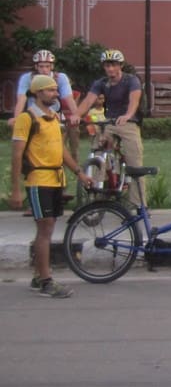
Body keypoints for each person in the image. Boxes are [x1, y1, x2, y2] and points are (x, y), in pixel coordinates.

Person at [10, 74, 93, 298]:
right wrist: (16, 189)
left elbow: (61, 150)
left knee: (46, 229)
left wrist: (79, 172)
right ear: (37, 92)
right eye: (49, 90)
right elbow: (17, 155)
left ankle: (39, 276)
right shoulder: (27, 118)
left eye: (56, 90)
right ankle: (46, 281)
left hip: (56, 180)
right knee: (45, 230)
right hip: (39, 181)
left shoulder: (53, 117)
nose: (55, 94)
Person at [75, 49, 147, 207]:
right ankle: (97, 190)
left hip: (128, 122)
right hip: (110, 122)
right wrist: (76, 116)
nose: (110, 69)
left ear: (120, 65)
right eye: (107, 65)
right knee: (98, 150)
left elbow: (134, 100)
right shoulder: (101, 83)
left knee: (134, 160)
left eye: (113, 65)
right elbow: (88, 101)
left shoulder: (131, 80)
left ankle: (139, 204)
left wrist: (128, 115)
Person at [14, 49, 80, 160]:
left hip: (56, 115)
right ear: (36, 67)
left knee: (71, 135)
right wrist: (16, 118)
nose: (44, 70)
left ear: (52, 66)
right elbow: (21, 99)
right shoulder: (27, 78)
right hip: (35, 116)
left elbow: (69, 98)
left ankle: (74, 162)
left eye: (47, 66)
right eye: (41, 66)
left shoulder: (60, 78)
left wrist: (76, 114)